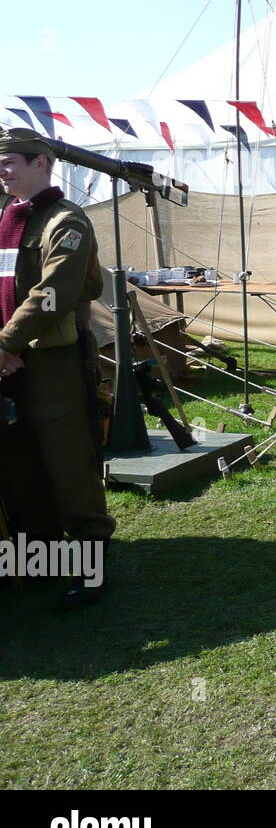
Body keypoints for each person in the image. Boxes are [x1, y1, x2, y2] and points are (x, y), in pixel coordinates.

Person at [0, 128, 115, 608]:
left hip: (49, 361)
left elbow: (54, 294)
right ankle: (38, 560)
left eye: (10, 163)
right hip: (8, 365)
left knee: (68, 462)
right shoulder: (6, 218)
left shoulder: (65, 221)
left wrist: (5, 343)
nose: (2, 172)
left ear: (41, 163)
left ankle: (92, 570)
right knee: (17, 464)